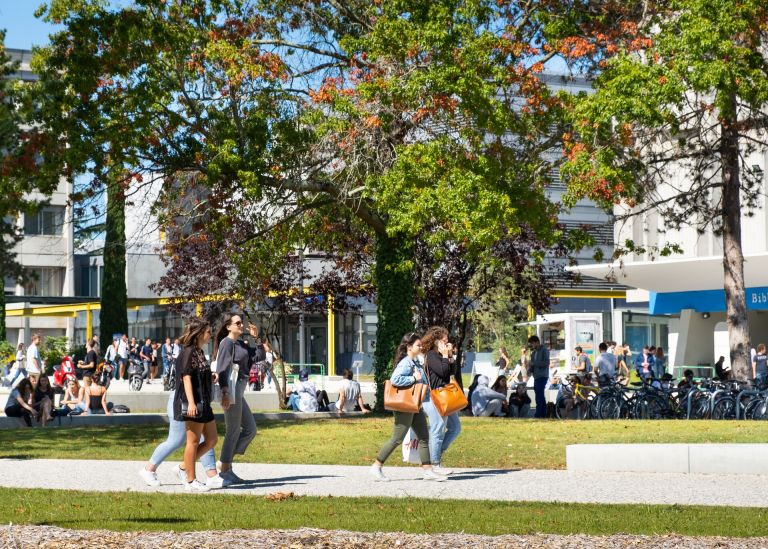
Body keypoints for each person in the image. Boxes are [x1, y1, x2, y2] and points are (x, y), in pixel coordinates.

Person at [370, 332, 446, 482]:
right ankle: (376, 466)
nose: (421, 346)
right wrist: (413, 378)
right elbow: (395, 379)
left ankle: (427, 470)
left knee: (424, 437)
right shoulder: (406, 362)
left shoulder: (416, 361)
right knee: (397, 439)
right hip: (405, 406)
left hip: (414, 404)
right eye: (418, 345)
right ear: (409, 347)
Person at [139, 388, 223, 489]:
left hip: (199, 401)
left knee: (204, 438)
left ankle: (211, 474)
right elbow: (186, 377)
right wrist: (191, 402)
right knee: (176, 441)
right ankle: (148, 469)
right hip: (182, 401)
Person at [173, 317, 218, 492]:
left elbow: (198, 374)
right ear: (199, 334)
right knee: (192, 442)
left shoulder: (199, 351)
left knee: (212, 439)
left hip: (204, 402)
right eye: (208, 332)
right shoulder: (189, 352)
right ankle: (191, 481)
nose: (210, 335)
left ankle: (183, 467)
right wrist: (191, 403)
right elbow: (186, 377)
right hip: (195, 403)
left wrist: (210, 376)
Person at [213, 313, 258, 485]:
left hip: (239, 389)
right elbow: (222, 368)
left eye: (241, 322)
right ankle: (225, 470)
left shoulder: (240, 344)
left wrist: (257, 339)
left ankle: (224, 462)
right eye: (237, 323)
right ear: (228, 326)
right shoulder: (227, 343)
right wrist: (224, 392)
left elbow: (257, 357)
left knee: (250, 429)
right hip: (231, 389)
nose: (241, 325)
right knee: (233, 430)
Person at [420, 325, 461, 475]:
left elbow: (451, 373)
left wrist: (450, 356)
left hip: (446, 396)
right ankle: (435, 463)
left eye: (447, 341)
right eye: (444, 341)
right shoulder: (431, 355)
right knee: (437, 429)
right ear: (436, 341)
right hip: (435, 397)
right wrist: (444, 356)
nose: (447, 343)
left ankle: (436, 453)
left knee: (455, 428)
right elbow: (442, 373)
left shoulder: (441, 354)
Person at [525, 335, 550, 418]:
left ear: (537, 342)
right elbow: (532, 365)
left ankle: (538, 414)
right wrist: (529, 370)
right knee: (540, 395)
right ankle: (543, 413)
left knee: (539, 395)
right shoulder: (534, 353)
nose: (532, 345)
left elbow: (546, 363)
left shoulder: (544, 350)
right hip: (536, 376)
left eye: (532, 343)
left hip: (543, 376)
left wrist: (534, 363)